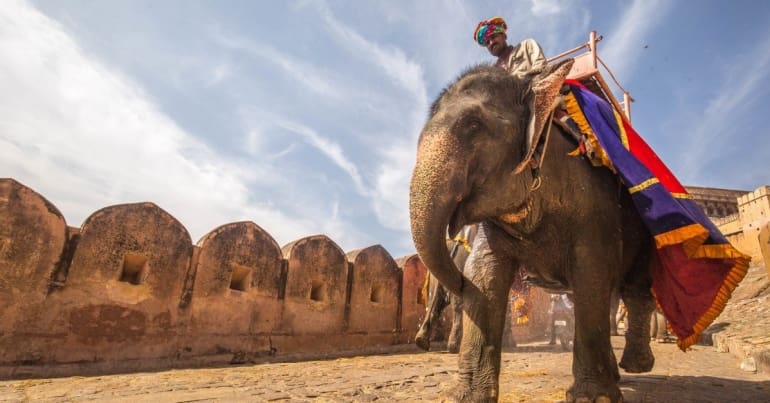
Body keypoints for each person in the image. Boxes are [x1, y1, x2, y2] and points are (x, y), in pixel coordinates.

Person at [473, 16, 547, 78]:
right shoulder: (492, 73)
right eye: (487, 42)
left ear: (504, 36)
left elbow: (540, 67)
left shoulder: (526, 46)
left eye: (493, 37)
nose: (491, 43)